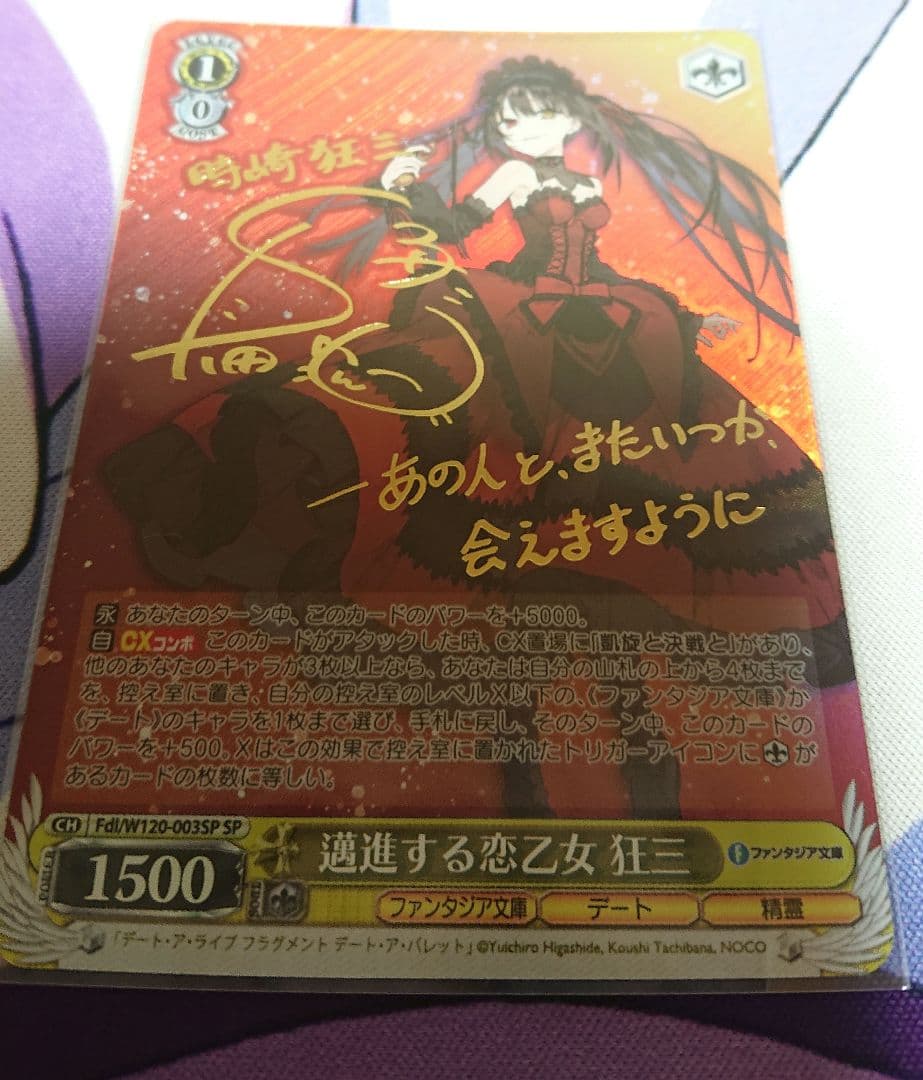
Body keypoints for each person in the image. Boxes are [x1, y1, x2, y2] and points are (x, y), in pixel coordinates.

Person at [105, 56, 851, 820]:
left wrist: (684, 320)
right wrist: (406, 186)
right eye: (510, 117)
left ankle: (627, 736)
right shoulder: (511, 177)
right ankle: (538, 749)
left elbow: (600, 266)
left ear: (572, 117)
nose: (525, 127)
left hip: (606, 320)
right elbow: (451, 228)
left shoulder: (583, 180)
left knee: (676, 447)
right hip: (518, 313)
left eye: (539, 113)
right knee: (469, 430)